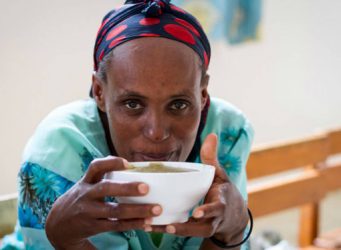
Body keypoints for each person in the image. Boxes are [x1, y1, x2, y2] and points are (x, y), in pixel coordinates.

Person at [3, 0, 254, 249]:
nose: (156, 132)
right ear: (99, 92)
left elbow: (229, 232)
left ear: (202, 94)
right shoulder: (57, 153)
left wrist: (231, 233)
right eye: (132, 104)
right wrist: (66, 241)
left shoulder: (227, 133)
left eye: (178, 105)